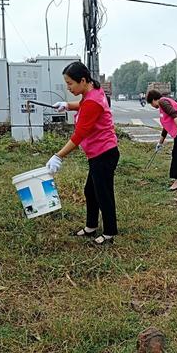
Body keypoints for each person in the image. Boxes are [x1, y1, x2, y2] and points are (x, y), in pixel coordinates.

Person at [46, 61, 120, 246]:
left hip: (103, 153)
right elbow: (84, 105)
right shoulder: (92, 92)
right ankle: (91, 226)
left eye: (70, 83)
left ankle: (110, 232)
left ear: (83, 80)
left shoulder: (92, 101)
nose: (68, 87)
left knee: (103, 193)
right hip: (99, 153)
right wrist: (68, 106)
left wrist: (58, 155)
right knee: (91, 190)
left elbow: (80, 134)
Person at [146, 89, 177, 191]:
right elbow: (166, 126)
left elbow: (174, 114)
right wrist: (160, 143)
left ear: (154, 99)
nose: (152, 106)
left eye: (151, 103)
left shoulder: (162, 101)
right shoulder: (163, 104)